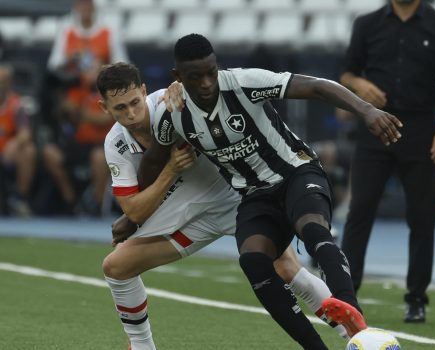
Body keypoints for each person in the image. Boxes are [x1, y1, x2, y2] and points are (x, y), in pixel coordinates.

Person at [142, 34, 402, 350]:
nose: (208, 82)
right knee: (252, 258)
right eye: (196, 77)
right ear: (178, 77)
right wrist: (134, 210)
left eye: (211, 71)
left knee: (312, 229)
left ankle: (354, 320)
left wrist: (367, 111)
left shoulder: (244, 83)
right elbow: (152, 161)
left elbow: (317, 86)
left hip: (296, 172)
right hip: (255, 196)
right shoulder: (173, 115)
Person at [97, 62, 347, 349]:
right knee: (116, 267)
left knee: (288, 271)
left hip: (237, 198)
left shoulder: (172, 101)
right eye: (120, 108)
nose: (131, 114)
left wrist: (184, 88)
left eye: (134, 103)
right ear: (104, 107)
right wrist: (169, 172)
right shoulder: (115, 144)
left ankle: (355, 334)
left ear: (144, 91)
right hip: (190, 215)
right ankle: (143, 347)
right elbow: (135, 210)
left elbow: (211, 89)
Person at [338, 0, 435, 323]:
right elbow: (347, 72)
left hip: (420, 129)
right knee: (360, 209)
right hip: (375, 126)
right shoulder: (367, 24)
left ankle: (417, 297)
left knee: (422, 216)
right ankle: (347, 294)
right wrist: (360, 84)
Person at [42, 0, 128, 215]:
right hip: (77, 129)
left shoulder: (108, 32)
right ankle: (71, 201)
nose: (84, 10)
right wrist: (72, 60)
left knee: (100, 157)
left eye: (88, 5)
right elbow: (54, 66)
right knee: (51, 151)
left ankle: (95, 207)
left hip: (99, 132)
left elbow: (123, 66)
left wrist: (100, 70)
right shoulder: (68, 32)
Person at [0, 64, 36, 216]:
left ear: (8, 83)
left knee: (28, 150)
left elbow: (25, 133)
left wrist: (14, 144)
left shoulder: (17, 105)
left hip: (7, 152)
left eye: (3, 81)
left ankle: (19, 199)